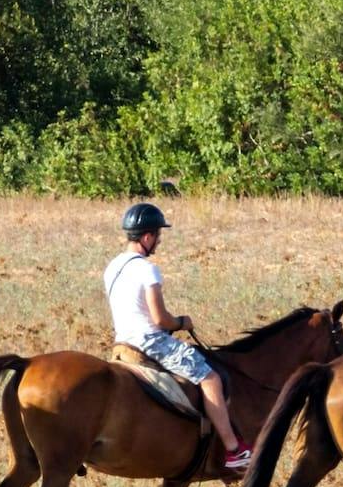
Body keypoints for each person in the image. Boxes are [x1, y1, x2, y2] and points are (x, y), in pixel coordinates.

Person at [104, 202, 252, 472]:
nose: (159, 240)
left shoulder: (112, 267)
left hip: (122, 342)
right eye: (158, 235)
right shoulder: (147, 270)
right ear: (147, 237)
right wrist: (182, 322)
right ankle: (233, 449)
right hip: (150, 342)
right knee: (210, 378)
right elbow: (160, 319)